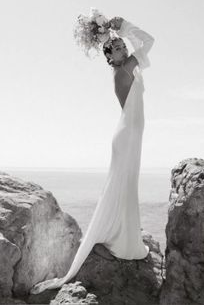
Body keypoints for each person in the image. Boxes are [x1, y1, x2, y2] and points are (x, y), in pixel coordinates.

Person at [30, 16, 155, 294]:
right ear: (110, 57)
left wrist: (119, 30)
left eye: (123, 45)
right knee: (123, 186)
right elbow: (149, 41)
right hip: (128, 137)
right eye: (119, 47)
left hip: (129, 135)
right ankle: (116, 239)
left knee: (125, 187)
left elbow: (144, 45)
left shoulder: (124, 66)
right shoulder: (124, 68)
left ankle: (117, 235)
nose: (125, 47)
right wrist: (124, 27)